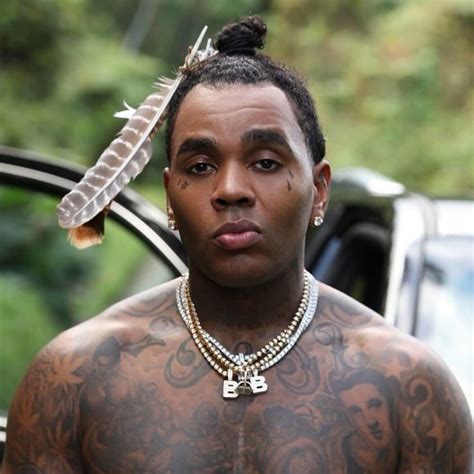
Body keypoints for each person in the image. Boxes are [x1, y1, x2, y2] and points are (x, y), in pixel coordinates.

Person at [2, 16, 471, 473]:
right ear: (169, 196)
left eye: (265, 162)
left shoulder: (409, 389)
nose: (230, 190)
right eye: (200, 167)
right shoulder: (72, 378)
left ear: (319, 189)